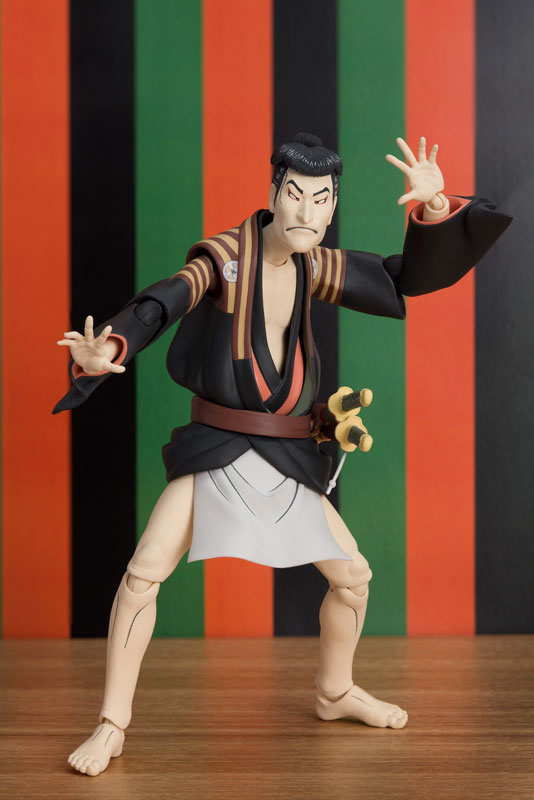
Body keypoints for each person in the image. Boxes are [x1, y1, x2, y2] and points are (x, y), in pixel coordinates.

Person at [56, 133, 511, 776]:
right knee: (144, 573)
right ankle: (111, 724)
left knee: (353, 578)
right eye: (294, 194)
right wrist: (111, 347)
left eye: (321, 200)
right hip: (219, 445)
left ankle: (334, 690)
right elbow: (166, 299)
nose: (305, 211)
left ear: (333, 207)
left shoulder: (311, 265)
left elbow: (399, 280)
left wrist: (434, 209)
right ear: (273, 193)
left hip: (285, 452)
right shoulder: (226, 257)